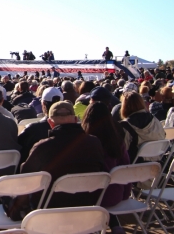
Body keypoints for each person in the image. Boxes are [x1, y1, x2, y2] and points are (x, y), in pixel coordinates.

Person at [21, 101, 106, 208]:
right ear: (75, 120)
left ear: (50, 123)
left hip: (49, 208)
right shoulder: (94, 143)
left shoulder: (42, 147)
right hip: (87, 206)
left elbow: (25, 176)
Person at [81, 102, 131, 234]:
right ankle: (115, 226)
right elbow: (126, 167)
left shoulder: (83, 142)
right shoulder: (117, 140)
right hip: (115, 194)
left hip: (88, 196)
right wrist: (125, 194)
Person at [119, 91, 165, 162]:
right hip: (158, 163)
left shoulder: (125, 125)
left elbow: (123, 151)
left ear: (124, 106)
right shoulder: (154, 119)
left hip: (135, 166)